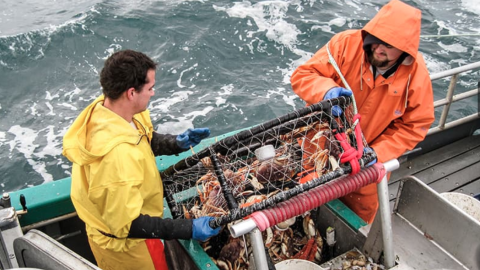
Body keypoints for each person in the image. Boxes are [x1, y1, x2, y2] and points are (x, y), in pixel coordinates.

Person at [62, 50, 220, 269]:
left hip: (123, 218)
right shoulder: (115, 158)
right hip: (128, 249)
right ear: (131, 93)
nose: (153, 93)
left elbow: (142, 138)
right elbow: (129, 225)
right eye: (150, 88)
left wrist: (175, 143)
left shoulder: (112, 109)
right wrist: (189, 228)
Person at [290, 0, 435, 223]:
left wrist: (377, 153)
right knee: (298, 206)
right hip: (317, 146)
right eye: (376, 38)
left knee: (356, 220)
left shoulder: (416, 75)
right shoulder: (345, 44)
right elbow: (303, 75)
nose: (378, 47)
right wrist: (326, 90)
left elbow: (415, 125)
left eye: (389, 45)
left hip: (365, 162)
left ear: (404, 50)